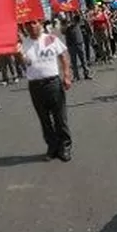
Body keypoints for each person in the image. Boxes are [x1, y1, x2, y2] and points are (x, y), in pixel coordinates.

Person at [19, 20, 74, 161]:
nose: (31, 26)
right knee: (44, 119)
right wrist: (18, 55)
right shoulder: (24, 44)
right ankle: (52, 147)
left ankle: (65, 146)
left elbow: (63, 55)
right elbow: (26, 63)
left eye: (34, 23)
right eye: (28, 24)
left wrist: (66, 74)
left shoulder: (50, 39)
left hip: (53, 83)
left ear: (40, 24)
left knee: (60, 117)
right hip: (35, 86)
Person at [61, 14, 91, 81]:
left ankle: (86, 73)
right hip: (70, 44)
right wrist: (66, 25)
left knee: (83, 59)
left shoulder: (76, 17)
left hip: (79, 41)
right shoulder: (64, 21)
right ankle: (75, 75)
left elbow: (81, 20)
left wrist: (73, 21)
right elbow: (62, 31)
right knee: (73, 61)